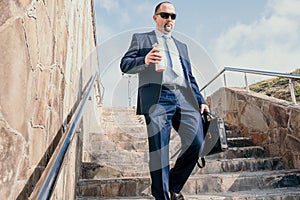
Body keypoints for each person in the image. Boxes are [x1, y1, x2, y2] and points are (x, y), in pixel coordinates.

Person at [120, 2, 210, 200]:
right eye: (165, 15)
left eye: (173, 16)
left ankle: (173, 186)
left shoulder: (182, 46)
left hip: (184, 98)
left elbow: (189, 76)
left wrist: (200, 99)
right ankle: (162, 196)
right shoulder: (142, 39)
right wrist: (144, 61)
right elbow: (125, 65)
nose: (169, 19)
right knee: (160, 150)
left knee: (197, 143)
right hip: (157, 98)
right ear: (155, 17)